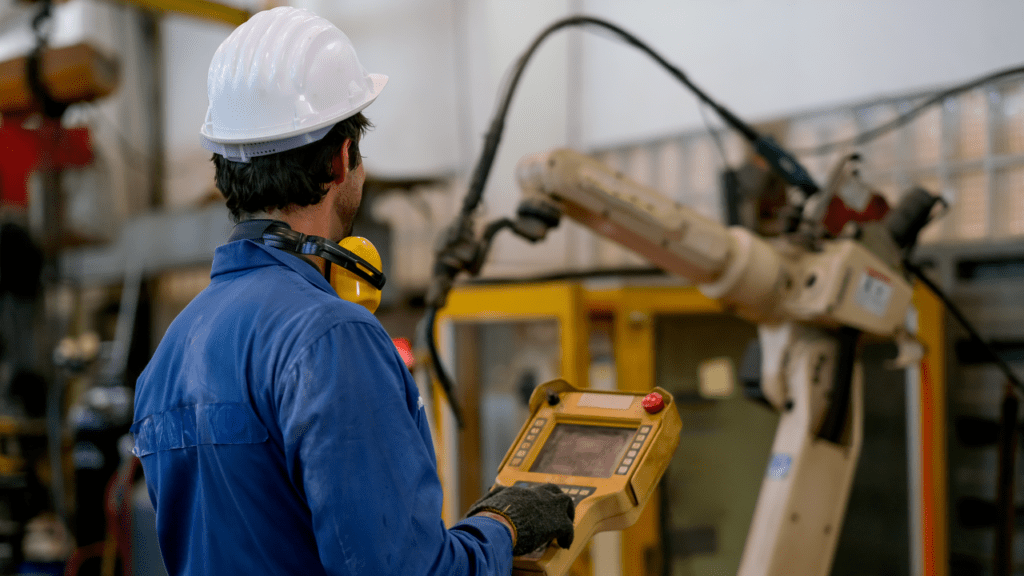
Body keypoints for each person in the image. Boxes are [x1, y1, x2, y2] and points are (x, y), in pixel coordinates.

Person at [130, 7, 575, 576]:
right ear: (343, 159)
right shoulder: (329, 337)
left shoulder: (171, 352)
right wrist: (502, 526)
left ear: (224, 171)